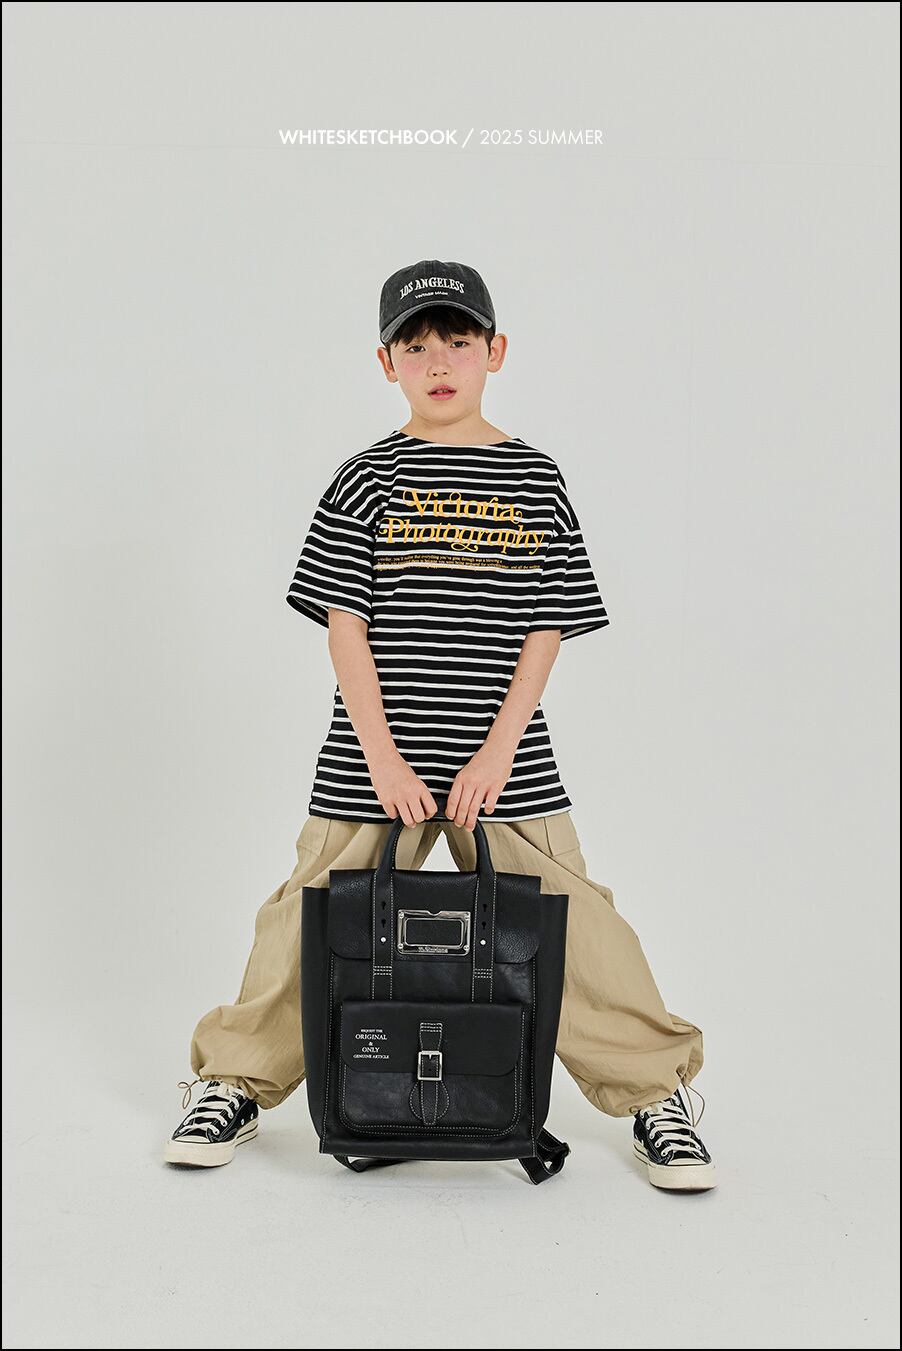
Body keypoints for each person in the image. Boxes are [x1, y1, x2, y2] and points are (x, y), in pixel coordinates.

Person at [163, 259, 717, 1191]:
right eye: (415, 346)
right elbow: (345, 624)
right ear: (386, 363)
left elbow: (546, 626)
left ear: (495, 351)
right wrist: (382, 756)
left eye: (458, 341)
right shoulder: (366, 478)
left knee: (575, 926)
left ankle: (655, 1092)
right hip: (372, 758)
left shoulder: (534, 478)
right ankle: (233, 1082)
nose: (439, 362)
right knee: (310, 919)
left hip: (504, 762)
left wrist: (497, 750)